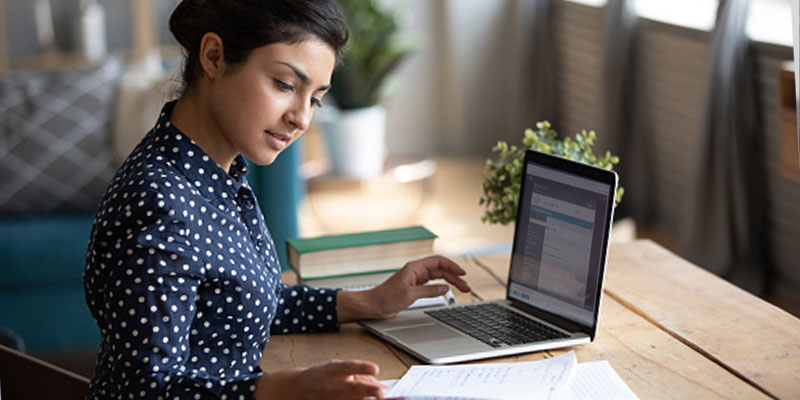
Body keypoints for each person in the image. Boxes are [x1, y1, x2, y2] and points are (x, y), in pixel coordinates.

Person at [82, 1, 470, 399]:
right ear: (214, 57)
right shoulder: (159, 202)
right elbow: (144, 392)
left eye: (315, 99)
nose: (301, 118)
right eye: (285, 85)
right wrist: (285, 388)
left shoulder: (216, 176)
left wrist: (370, 301)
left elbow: (236, 306)